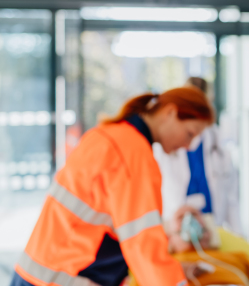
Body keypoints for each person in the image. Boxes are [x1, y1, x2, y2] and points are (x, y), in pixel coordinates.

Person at [11, 87, 214, 286]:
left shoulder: (107, 135)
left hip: (35, 272)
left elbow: (109, 226)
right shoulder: (134, 154)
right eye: (189, 134)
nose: (188, 146)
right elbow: (143, 244)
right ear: (170, 113)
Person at [154, 77, 241, 248]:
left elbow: (232, 198)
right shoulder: (165, 145)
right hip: (178, 233)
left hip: (213, 231)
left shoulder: (219, 142)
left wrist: (239, 238)